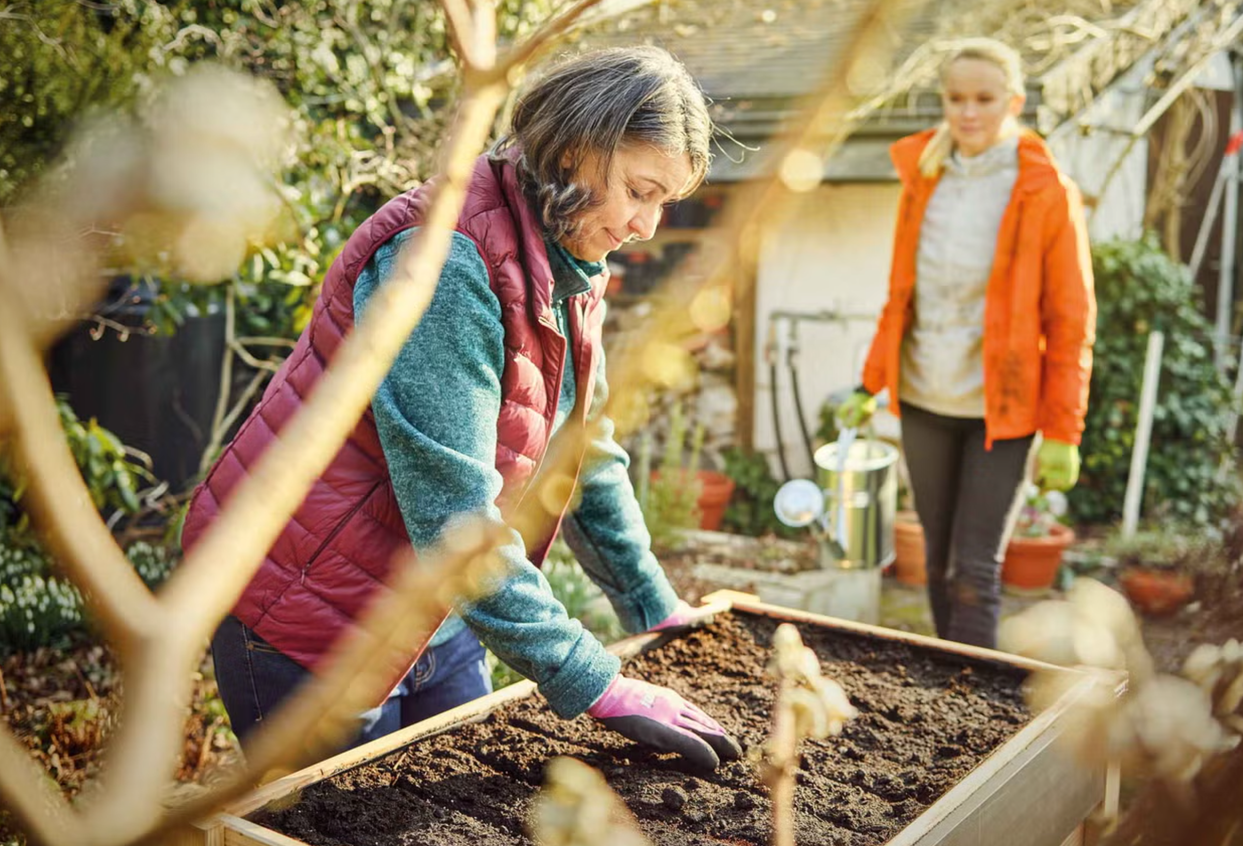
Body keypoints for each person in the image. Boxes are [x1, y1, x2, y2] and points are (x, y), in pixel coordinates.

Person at [182, 46, 742, 771]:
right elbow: (455, 521)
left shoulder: (566, 258)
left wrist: (652, 606)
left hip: (433, 623)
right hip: (313, 622)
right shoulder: (446, 264)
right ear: (573, 151)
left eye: (665, 201)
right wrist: (596, 684)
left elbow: (584, 449)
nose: (648, 225)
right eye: (640, 190)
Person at [839, 37, 1095, 649]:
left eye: (984, 99)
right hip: (927, 399)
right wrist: (869, 383)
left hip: (1001, 412)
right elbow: (903, 298)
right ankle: (946, 687)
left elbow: (1071, 318)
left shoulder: (1045, 190)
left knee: (975, 567)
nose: (968, 112)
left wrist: (1063, 430)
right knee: (935, 561)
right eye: (956, 98)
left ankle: (975, 692)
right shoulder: (925, 178)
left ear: (1014, 101)